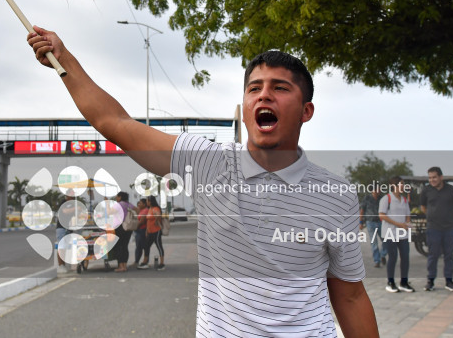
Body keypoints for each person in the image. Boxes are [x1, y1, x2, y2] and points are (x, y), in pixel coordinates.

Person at [29, 27, 378, 337]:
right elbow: (115, 122)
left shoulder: (336, 196)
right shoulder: (208, 162)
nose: (264, 95)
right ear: (244, 106)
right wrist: (65, 62)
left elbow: (349, 294)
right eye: (254, 88)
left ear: (306, 111)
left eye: (280, 88)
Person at [420, 166, 453, 292]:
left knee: (449, 255)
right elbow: (423, 207)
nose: (432, 180)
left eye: (434, 177)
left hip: (449, 228)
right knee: (433, 255)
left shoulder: (451, 190)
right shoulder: (426, 190)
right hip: (433, 228)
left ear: (441, 177)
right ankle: (430, 281)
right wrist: (433, 216)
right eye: (430, 178)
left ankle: (449, 281)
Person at [379, 176, 414, 293]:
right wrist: (398, 224)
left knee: (405, 258)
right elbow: (381, 215)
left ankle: (404, 282)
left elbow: (408, 214)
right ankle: (391, 282)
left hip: (403, 234)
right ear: (394, 186)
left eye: (404, 184)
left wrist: (408, 223)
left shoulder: (404, 200)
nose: (403, 186)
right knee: (393, 257)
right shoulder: (386, 199)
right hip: (389, 234)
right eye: (401, 184)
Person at [359, 185, 387, 268]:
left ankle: (383, 255)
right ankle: (377, 260)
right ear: (373, 190)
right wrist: (360, 222)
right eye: (377, 189)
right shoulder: (367, 198)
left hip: (380, 222)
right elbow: (362, 210)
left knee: (386, 240)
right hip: (370, 222)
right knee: (374, 243)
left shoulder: (382, 198)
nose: (379, 191)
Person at [138, 195, 165, 270]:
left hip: (156, 231)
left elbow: (159, 216)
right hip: (150, 232)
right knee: (146, 246)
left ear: (150, 201)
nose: (146, 202)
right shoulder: (150, 209)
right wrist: (147, 231)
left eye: (147, 201)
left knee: (159, 246)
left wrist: (156, 220)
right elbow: (148, 221)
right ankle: (145, 262)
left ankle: (162, 263)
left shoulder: (156, 209)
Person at [113, 191, 136, 272]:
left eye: (117, 196)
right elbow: (137, 210)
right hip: (128, 227)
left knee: (118, 246)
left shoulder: (119, 204)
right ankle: (125, 266)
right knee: (125, 246)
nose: (116, 198)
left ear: (120, 197)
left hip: (120, 227)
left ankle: (121, 266)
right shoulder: (129, 204)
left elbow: (109, 212)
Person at [134, 198, 149, 267]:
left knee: (142, 246)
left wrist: (134, 227)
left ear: (144, 204)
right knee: (139, 247)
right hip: (139, 231)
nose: (138, 204)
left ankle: (144, 261)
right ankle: (137, 261)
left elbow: (141, 222)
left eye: (140, 203)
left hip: (142, 230)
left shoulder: (145, 211)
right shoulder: (141, 211)